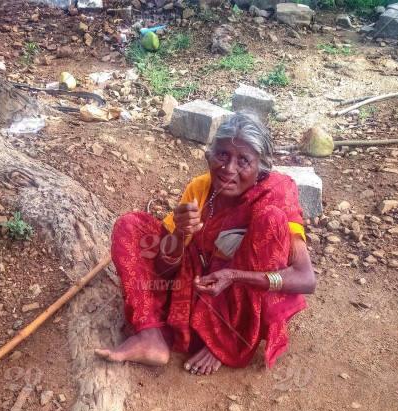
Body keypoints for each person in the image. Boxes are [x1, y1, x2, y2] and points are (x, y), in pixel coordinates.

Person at [95, 111, 316, 375]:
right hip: (196, 291)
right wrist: (178, 233)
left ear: (260, 169)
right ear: (210, 156)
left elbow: (305, 278)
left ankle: (224, 341)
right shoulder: (201, 188)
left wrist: (234, 275)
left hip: (240, 305)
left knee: (270, 221)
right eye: (223, 155)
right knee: (130, 225)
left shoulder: (275, 196)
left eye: (243, 160)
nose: (229, 169)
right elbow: (167, 271)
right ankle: (150, 336)